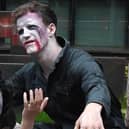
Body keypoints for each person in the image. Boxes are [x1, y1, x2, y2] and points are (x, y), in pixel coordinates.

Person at [4, 1, 126, 129]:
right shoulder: (29, 73)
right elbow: (6, 92)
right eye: (21, 31)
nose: (25, 35)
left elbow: (96, 83)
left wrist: (93, 108)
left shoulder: (79, 61)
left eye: (32, 27)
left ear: (51, 29)